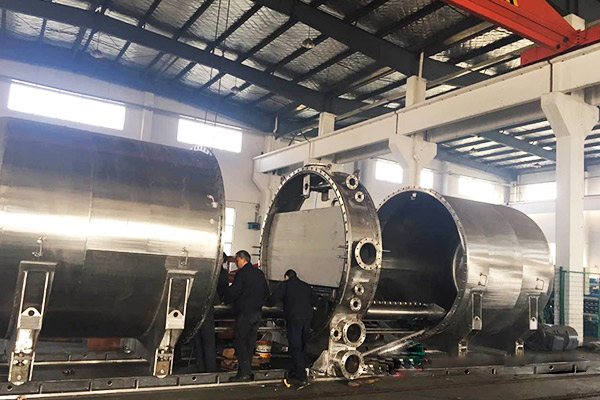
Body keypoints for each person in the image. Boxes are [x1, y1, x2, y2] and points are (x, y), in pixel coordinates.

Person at [266, 269, 318, 385]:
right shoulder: (306, 286)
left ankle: (301, 376)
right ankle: (300, 369)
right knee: (303, 345)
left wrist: (266, 302)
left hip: (294, 318)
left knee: (295, 346)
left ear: (286, 277)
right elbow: (315, 301)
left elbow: (273, 300)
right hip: (307, 319)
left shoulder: (285, 285)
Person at [227, 250, 269, 382]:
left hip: (245, 313)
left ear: (242, 259)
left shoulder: (242, 274)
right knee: (250, 343)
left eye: (237, 260)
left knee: (240, 342)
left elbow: (234, 291)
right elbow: (266, 291)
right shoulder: (259, 273)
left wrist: (226, 299)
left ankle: (244, 373)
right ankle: (247, 371)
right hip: (257, 313)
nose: (236, 263)